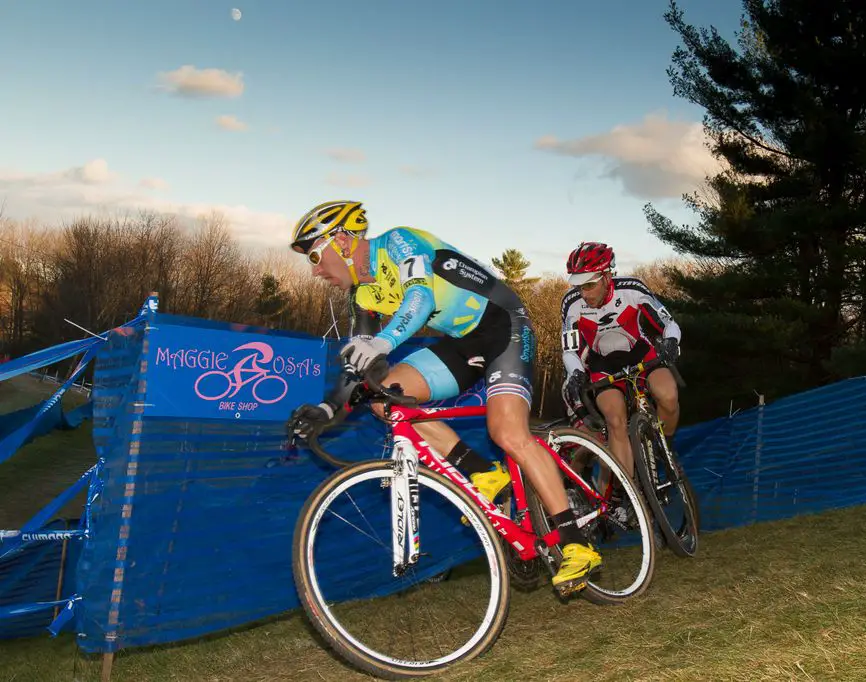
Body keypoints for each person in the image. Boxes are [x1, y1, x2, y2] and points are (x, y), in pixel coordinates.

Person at [286, 200, 602, 594]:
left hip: (503, 325)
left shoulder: (399, 243)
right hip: (461, 342)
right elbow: (360, 367)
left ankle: (575, 542)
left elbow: (421, 298)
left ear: (345, 241)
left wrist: (383, 341)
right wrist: (327, 408)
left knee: (507, 432)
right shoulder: (362, 296)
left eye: (316, 255)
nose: (315, 270)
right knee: (385, 398)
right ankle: (485, 473)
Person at [559, 242, 682, 504]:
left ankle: (665, 447)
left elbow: (669, 324)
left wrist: (670, 342)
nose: (584, 292)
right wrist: (576, 372)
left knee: (668, 396)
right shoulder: (572, 304)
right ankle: (630, 495)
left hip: (640, 354)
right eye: (579, 286)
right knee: (615, 421)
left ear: (606, 276)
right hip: (602, 365)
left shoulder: (632, 290)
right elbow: (569, 350)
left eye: (589, 285)